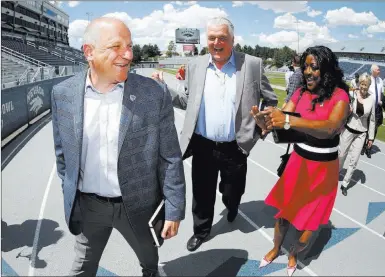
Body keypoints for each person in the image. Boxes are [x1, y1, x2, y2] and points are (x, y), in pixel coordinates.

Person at [50, 17, 186, 277]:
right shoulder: (62, 94)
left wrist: (174, 207)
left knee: (150, 264)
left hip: (140, 205)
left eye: (130, 46)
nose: (128, 54)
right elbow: (62, 154)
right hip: (89, 207)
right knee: (81, 269)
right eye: (116, 46)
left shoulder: (154, 93)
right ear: (89, 52)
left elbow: (169, 156)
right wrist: (73, 192)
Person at [173, 16, 278, 252]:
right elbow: (187, 101)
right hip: (203, 144)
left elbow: (271, 100)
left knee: (233, 191)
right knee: (202, 192)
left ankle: (231, 204)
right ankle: (201, 231)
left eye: (222, 38)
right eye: (212, 38)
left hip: (236, 146)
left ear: (232, 40)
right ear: (206, 40)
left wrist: (260, 129)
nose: (216, 42)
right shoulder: (195, 65)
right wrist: (163, 90)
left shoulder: (252, 64)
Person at [252, 45, 350, 276]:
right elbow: (282, 123)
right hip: (298, 164)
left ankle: (294, 253)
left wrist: (288, 120)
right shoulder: (300, 93)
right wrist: (265, 123)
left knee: (308, 229)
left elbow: (330, 128)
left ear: (326, 70)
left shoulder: (340, 96)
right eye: (305, 66)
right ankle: (276, 248)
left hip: (324, 171)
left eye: (313, 67)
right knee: (283, 217)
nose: (307, 71)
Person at [338, 73, 375, 196]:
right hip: (349, 128)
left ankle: (345, 184)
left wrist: (371, 137)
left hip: (361, 133)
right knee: (342, 154)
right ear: (359, 84)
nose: (364, 87)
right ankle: (335, 175)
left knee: (354, 160)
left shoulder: (372, 99)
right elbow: (342, 107)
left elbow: (372, 119)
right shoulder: (352, 94)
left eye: (366, 85)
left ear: (369, 86)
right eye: (362, 84)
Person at [363, 64, 385, 158]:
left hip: (377, 108)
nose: (379, 71)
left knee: (375, 128)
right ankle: (362, 146)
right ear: (373, 71)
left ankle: (369, 148)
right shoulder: (367, 79)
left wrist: (381, 102)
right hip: (368, 107)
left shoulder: (380, 80)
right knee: (366, 127)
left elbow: (381, 93)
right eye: (378, 69)